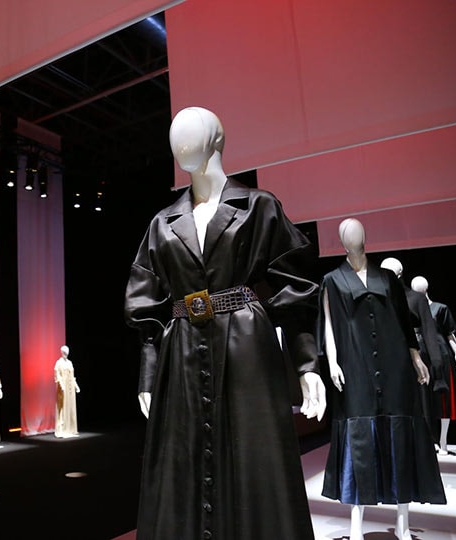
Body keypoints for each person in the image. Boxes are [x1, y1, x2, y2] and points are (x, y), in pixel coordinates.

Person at [124, 106, 326, 540]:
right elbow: (147, 306)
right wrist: (148, 374)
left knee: (254, 458)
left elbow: (295, 291)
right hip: (180, 352)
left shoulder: (258, 206)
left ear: (217, 139)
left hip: (246, 347)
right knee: (182, 462)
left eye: (192, 132)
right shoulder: (162, 223)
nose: (180, 141)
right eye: (175, 134)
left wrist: (307, 365)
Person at [319, 219, 446, 540]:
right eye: (347, 233)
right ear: (341, 241)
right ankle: (356, 525)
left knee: (400, 438)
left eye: (357, 231)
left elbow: (403, 321)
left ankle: (403, 523)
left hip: (395, 367)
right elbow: (329, 323)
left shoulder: (387, 278)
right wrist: (332, 362)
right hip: (354, 366)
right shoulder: (332, 280)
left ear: (365, 237)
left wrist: (416, 357)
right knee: (359, 443)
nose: (354, 237)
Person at [381, 257, 446, 448]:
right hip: (388, 356)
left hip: (415, 354)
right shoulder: (379, 299)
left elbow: (429, 331)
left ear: (400, 274)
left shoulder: (416, 298)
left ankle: (427, 442)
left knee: (421, 401)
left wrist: (437, 367)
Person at [411, 275, 456, 455]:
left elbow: (449, 333)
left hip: (441, 356)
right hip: (421, 357)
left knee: (444, 399)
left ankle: (443, 441)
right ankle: (430, 440)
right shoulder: (412, 311)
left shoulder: (440, 308)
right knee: (424, 400)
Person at [54, 345, 80, 438]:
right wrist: (62, 385)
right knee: (63, 407)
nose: (66, 353)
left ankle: (71, 429)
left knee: (70, 407)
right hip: (63, 388)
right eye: (64, 352)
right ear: (61, 352)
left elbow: (72, 376)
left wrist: (76, 386)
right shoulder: (58, 363)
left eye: (67, 352)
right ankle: (62, 430)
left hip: (70, 389)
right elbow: (57, 375)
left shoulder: (70, 363)